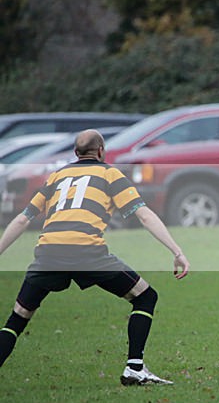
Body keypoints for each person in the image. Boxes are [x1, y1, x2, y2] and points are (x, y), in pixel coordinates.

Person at [0, 129, 190, 385]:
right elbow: (144, 215)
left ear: (75, 153)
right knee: (145, 297)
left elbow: (23, 218)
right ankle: (134, 368)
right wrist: (176, 251)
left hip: (48, 253)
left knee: (18, 317)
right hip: (87, 252)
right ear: (101, 151)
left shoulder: (57, 175)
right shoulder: (110, 174)